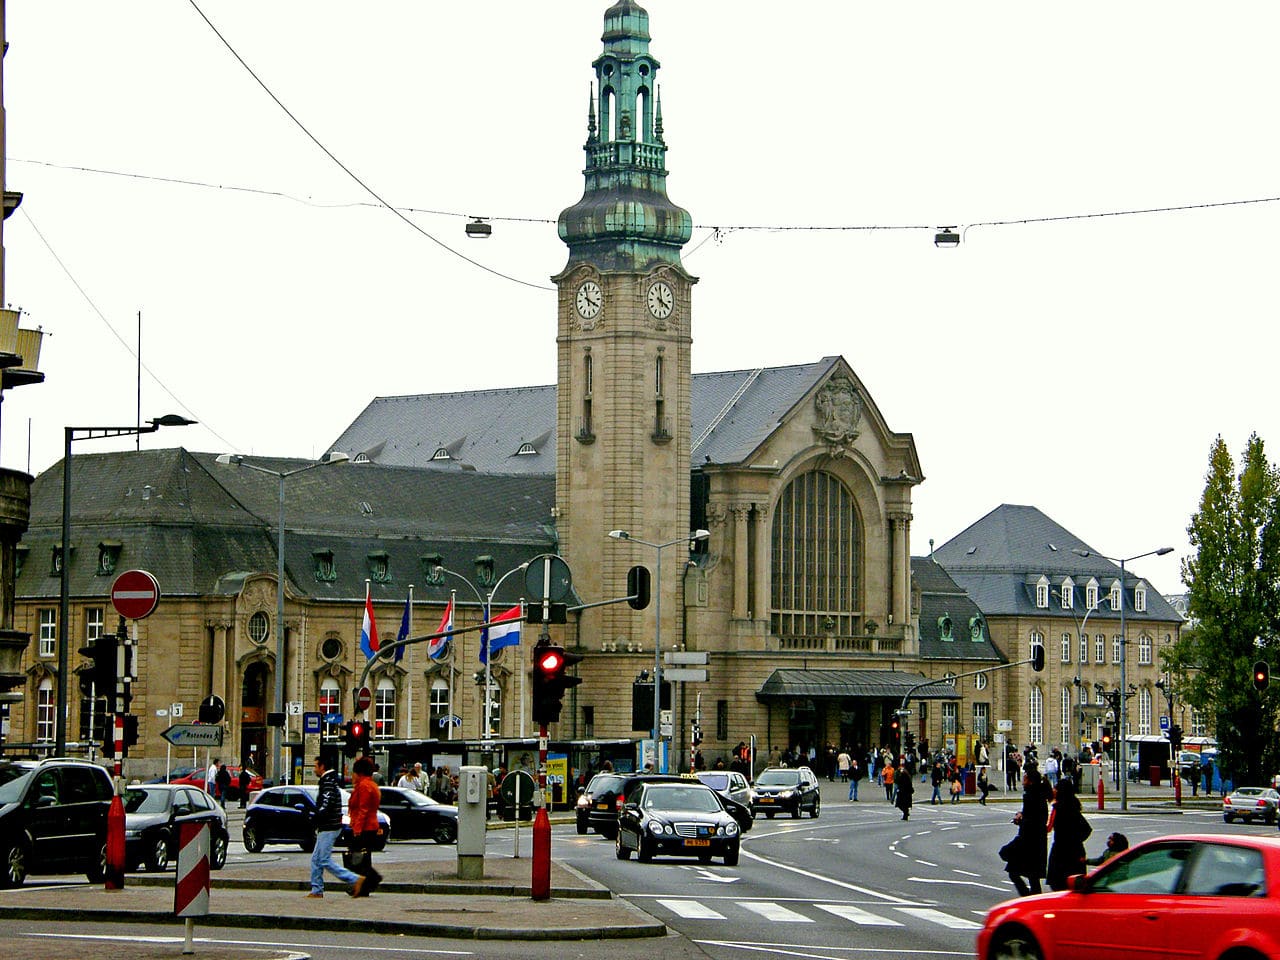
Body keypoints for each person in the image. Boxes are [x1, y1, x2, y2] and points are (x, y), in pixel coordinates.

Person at [308, 756, 364, 898]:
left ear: (322, 767)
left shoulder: (327, 783)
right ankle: (316, 889)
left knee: (323, 859)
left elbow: (326, 803)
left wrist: (316, 816)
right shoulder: (331, 781)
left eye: (315, 766)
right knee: (316, 859)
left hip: (329, 826)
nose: (314, 769)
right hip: (328, 825)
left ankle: (355, 879)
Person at [1003, 765, 1049, 897]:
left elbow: (1033, 821)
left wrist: (1021, 820)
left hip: (1029, 842)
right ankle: (1033, 898)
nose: (1022, 782)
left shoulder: (1032, 797)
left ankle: (1028, 898)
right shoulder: (1038, 796)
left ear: (1030, 781)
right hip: (1036, 841)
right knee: (1032, 877)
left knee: (1015, 871)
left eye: (1024, 779)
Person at [1046, 778, 1091, 891]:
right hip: (1076, 851)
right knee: (1075, 886)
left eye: (1055, 788)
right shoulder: (1074, 807)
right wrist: (1076, 840)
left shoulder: (1057, 808)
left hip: (1060, 851)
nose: (1053, 790)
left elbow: (1048, 828)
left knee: (1057, 884)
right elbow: (1087, 829)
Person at [348, 755, 383, 896]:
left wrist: (357, 829)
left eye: (354, 773)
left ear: (359, 773)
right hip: (371, 825)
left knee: (358, 859)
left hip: (364, 827)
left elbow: (363, 809)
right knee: (363, 858)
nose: (352, 776)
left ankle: (370, 880)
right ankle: (364, 887)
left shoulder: (363, 786)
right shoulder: (372, 785)